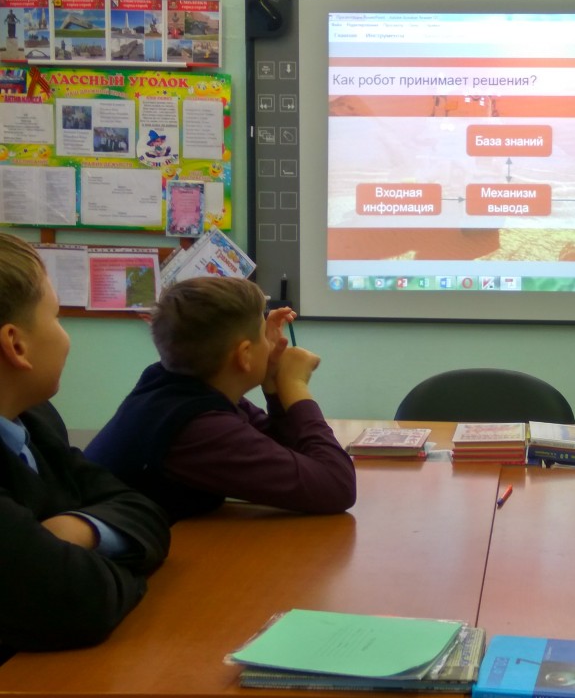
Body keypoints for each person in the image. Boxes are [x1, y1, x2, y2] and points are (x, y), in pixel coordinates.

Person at [0, 233, 170, 658]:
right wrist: (110, 569)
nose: (67, 337)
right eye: (57, 317)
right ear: (16, 345)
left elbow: (144, 512)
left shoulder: (35, 420)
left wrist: (80, 531)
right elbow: (78, 602)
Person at [85, 277, 357, 523]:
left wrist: (273, 385)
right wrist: (295, 385)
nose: (272, 344)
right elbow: (337, 486)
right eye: (263, 334)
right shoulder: (198, 427)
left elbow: (283, 453)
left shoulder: (178, 385)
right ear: (245, 354)